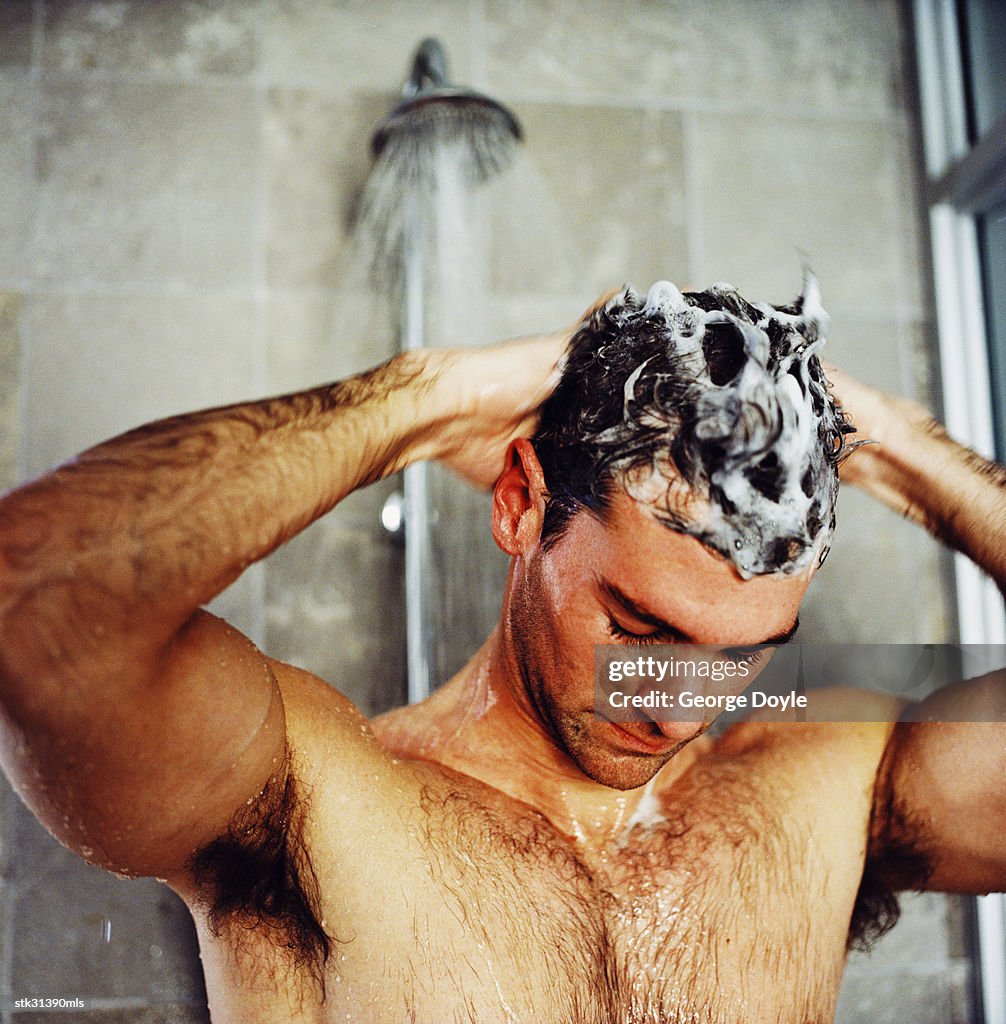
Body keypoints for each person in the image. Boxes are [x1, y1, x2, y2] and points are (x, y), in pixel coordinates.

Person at [0, 277, 1003, 1023]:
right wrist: (421, 400)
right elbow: (32, 609)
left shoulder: (824, 787)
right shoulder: (320, 805)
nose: (679, 703)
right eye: (641, 629)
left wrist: (903, 447)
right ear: (521, 502)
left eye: (744, 654)